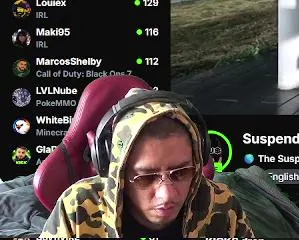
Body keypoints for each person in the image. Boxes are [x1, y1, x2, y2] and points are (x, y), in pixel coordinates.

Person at [41, 89, 256, 239]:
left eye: (181, 173)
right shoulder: (77, 207)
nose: (167, 195)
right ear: (118, 173)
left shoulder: (222, 204)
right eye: (145, 177)